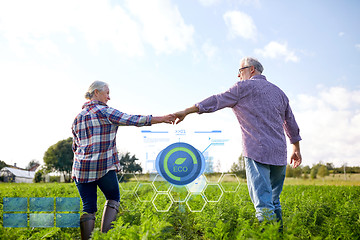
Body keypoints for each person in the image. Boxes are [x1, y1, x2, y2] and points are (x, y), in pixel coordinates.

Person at [174, 57, 302, 230]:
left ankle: (269, 236)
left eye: (240, 71)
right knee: (274, 201)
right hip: (279, 154)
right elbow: (291, 122)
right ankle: (279, 235)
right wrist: (296, 148)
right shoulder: (279, 92)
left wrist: (187, 111)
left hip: (257, 152)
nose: (238, 75)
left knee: (264, 205)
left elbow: (216, 100)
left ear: (252, 70)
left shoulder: (242, 88)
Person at [71, 80, 175, 240]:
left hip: (81, 169)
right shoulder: (104, 112)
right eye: (107, 93)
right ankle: (104, 237)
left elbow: (75, 146)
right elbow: (132, 119)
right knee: (113, 198)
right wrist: (161, 118)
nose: (109, 97)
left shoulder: (77, 118)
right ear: (96, 92)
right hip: (103, 167)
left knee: (88, 208)